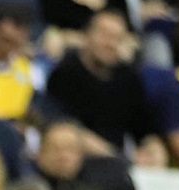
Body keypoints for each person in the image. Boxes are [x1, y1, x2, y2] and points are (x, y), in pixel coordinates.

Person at [45, 10, 154, 151]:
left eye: (118, 38)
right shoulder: (65, 74)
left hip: (118, 162)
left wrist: (152, 147)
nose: (110, 44)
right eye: (105, 35)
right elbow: (62, 125)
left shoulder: (129, 79)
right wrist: (110, 154)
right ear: (87, 35)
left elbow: (144, 130)